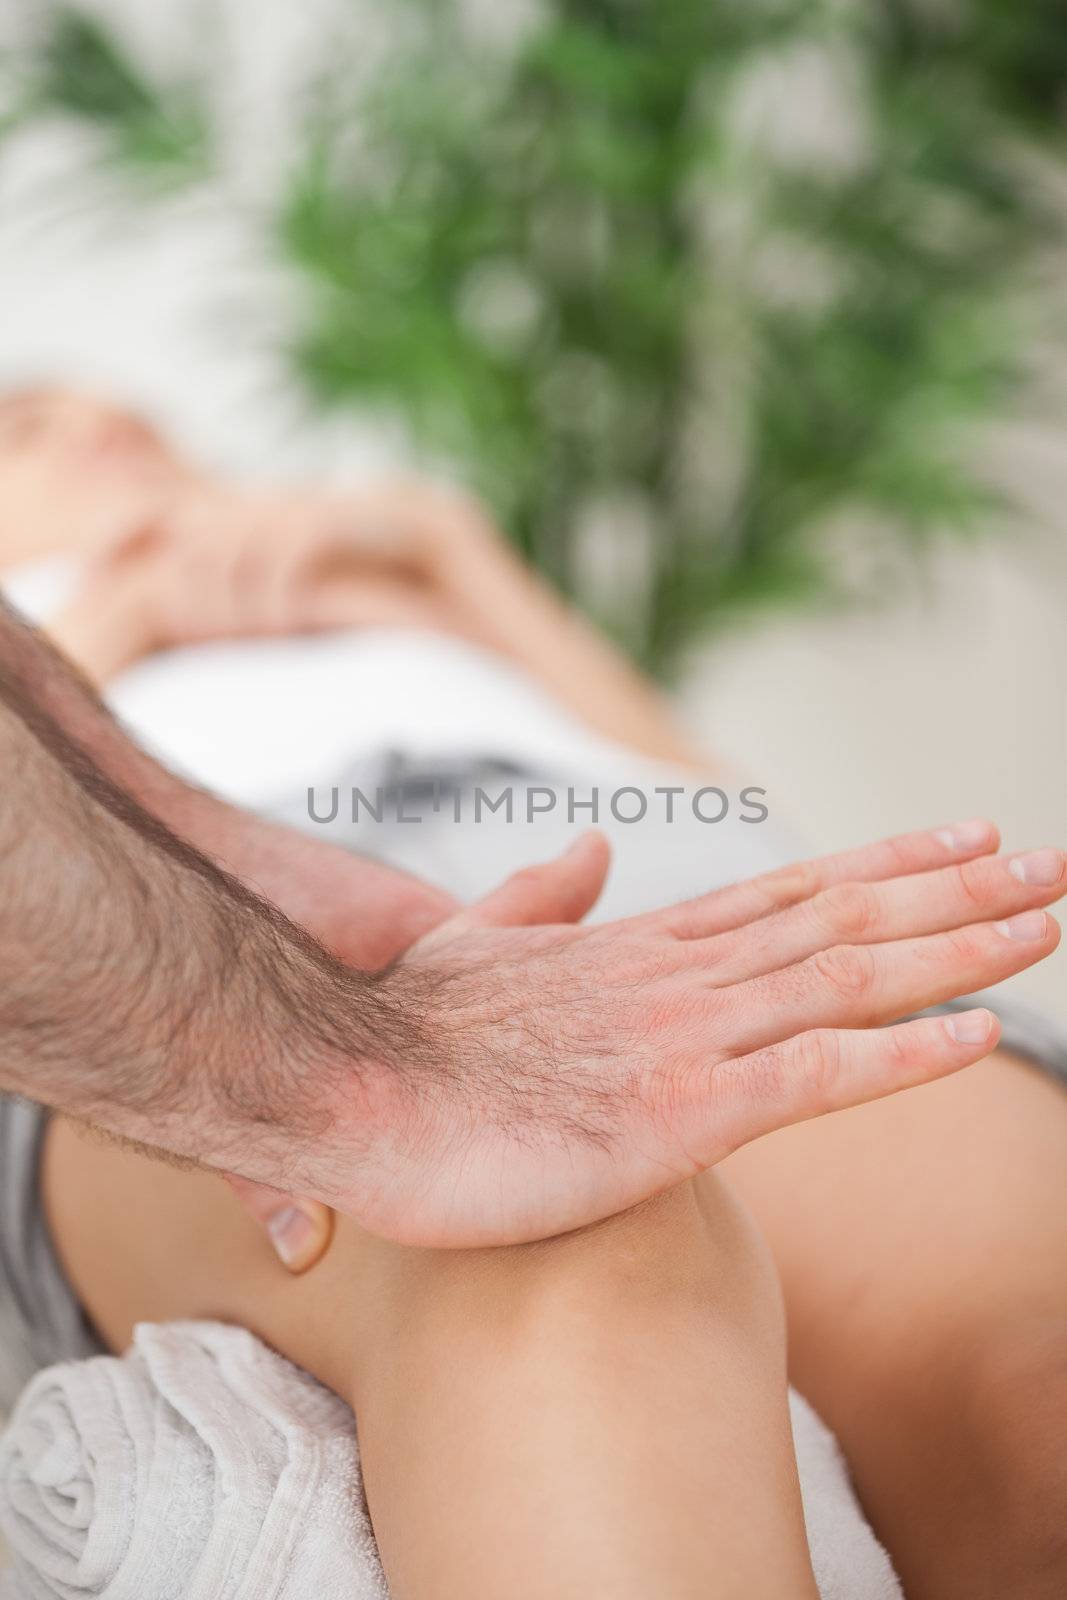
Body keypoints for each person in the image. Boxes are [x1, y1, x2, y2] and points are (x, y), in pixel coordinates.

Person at [2, 387, 1066, 1596]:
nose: (98, 421)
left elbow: (687, 791)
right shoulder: (55, 639)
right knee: (567, 1254)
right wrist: (116, 616)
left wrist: (456, 560)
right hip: (192, 946)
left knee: (1030, 1401)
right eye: (23, 425)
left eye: (124, 409)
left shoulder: (383, 584)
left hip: (651, 882)